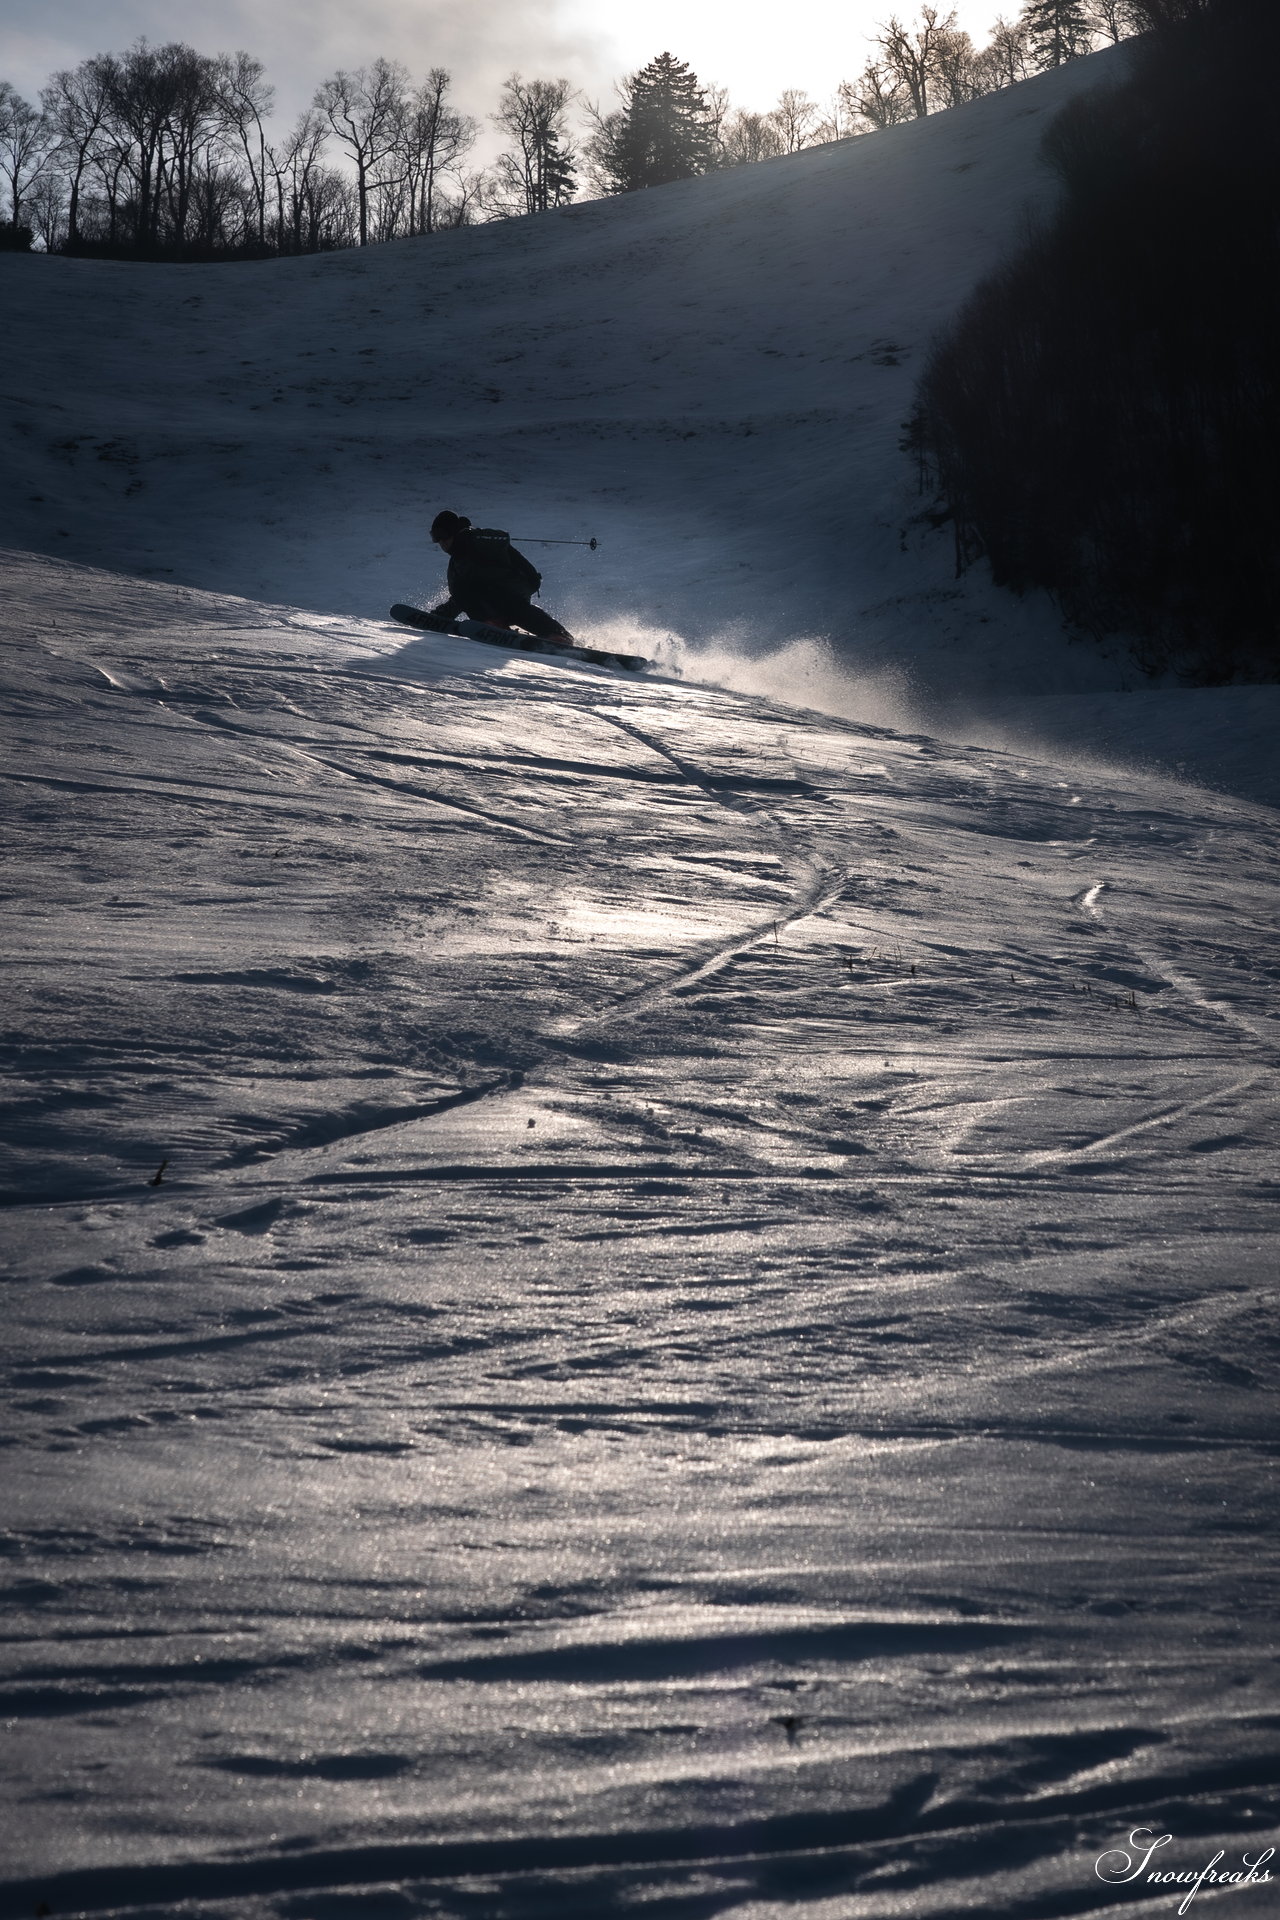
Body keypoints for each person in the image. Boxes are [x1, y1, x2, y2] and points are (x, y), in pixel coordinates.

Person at [428, 511, 574, 640]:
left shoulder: (477, 542)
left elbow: (503, 540)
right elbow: (459, 596)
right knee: (513, 609)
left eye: (443, 535)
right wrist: (439, 618)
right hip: (500, 599)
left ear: (453, 531)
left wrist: (475, 536)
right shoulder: (456, 564)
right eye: (436, 537)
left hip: (515, 588)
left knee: (514, 607)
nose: (441, 542)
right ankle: (497, 623)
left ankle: (558, 635)